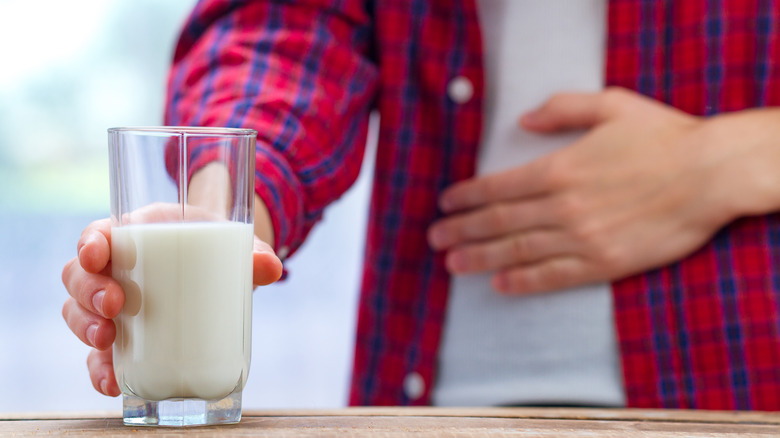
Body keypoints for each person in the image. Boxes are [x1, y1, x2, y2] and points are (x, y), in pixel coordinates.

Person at [62, 0, 780, 409]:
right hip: (430, 405)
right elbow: (288, 27)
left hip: (739, 393)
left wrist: (734, 158)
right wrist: (222, 209)